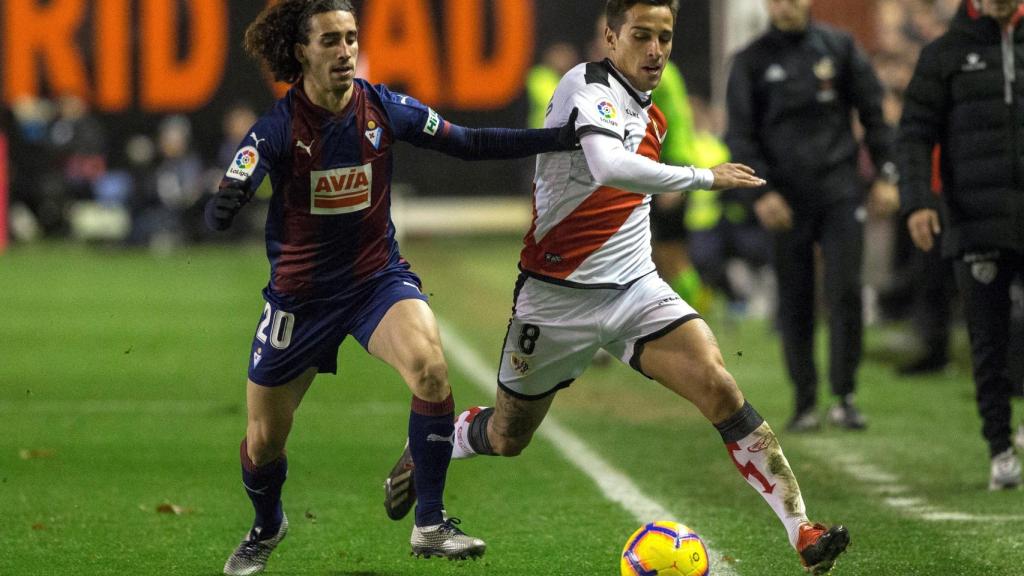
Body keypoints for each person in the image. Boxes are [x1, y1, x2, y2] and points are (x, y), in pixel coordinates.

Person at [385, 1, 850, 573]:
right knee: (507, 436)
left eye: (665, 38)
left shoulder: (654, 111)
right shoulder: (585, 86)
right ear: (610, 37)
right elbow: (608, 166)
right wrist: (704, 177)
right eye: (641, 35)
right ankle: (436, 442)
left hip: (635, 291)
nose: (655, 50)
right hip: (555, 300)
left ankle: (803, 531)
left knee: (719, 386)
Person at [206, 1, 578, 574]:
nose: (345, 51)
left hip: (375, 282)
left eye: (351, 38)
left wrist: (556, 138)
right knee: (263, 442)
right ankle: (267, 524)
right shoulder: (278, 129)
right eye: (330, 40)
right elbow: (225, 199)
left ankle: (430, 523)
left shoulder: (383, 108)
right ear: (301, 51)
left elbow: (468, 141)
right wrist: (229, 197)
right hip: (300, 301)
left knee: (430, 368)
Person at [725, 0, 899, 432]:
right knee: (795, 298)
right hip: (784, 200)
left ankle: (845, 397)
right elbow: (740, 136)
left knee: (845, 290)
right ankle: (804, 402)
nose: (785, 5)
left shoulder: (840, 47)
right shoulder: (750, 61)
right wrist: (761, 194)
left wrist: (886, 174)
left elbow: (874, 113)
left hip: (840, 190)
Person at [899, 0, 1024, 490]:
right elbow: (914, 134)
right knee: (988, 341)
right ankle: (1000, 448)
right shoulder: (944, 53)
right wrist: (917, 200)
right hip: (974, 220)